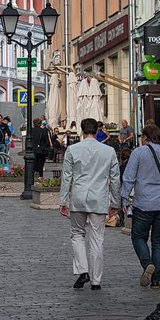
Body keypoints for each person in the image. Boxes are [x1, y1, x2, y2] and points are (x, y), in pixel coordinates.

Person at [120, 124, 160, 290]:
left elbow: (128, 178)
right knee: (158, 243)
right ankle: (156, 280)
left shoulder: (138, 153)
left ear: (145, 137)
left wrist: (124, 199)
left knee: (138, 237)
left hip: (143, 204)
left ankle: (147, 263)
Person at [59, 117, 120, 290]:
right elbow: (115, 179)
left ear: (82, 130)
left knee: (77, 234)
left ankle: (82, 270)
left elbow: (66, 177)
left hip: (78, 196)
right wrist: (115, 202)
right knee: (97, 238)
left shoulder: (73, 149)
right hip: (99, 198)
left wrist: (63, 199)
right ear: (97, 130)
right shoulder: (108, 151)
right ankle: (96, 280)